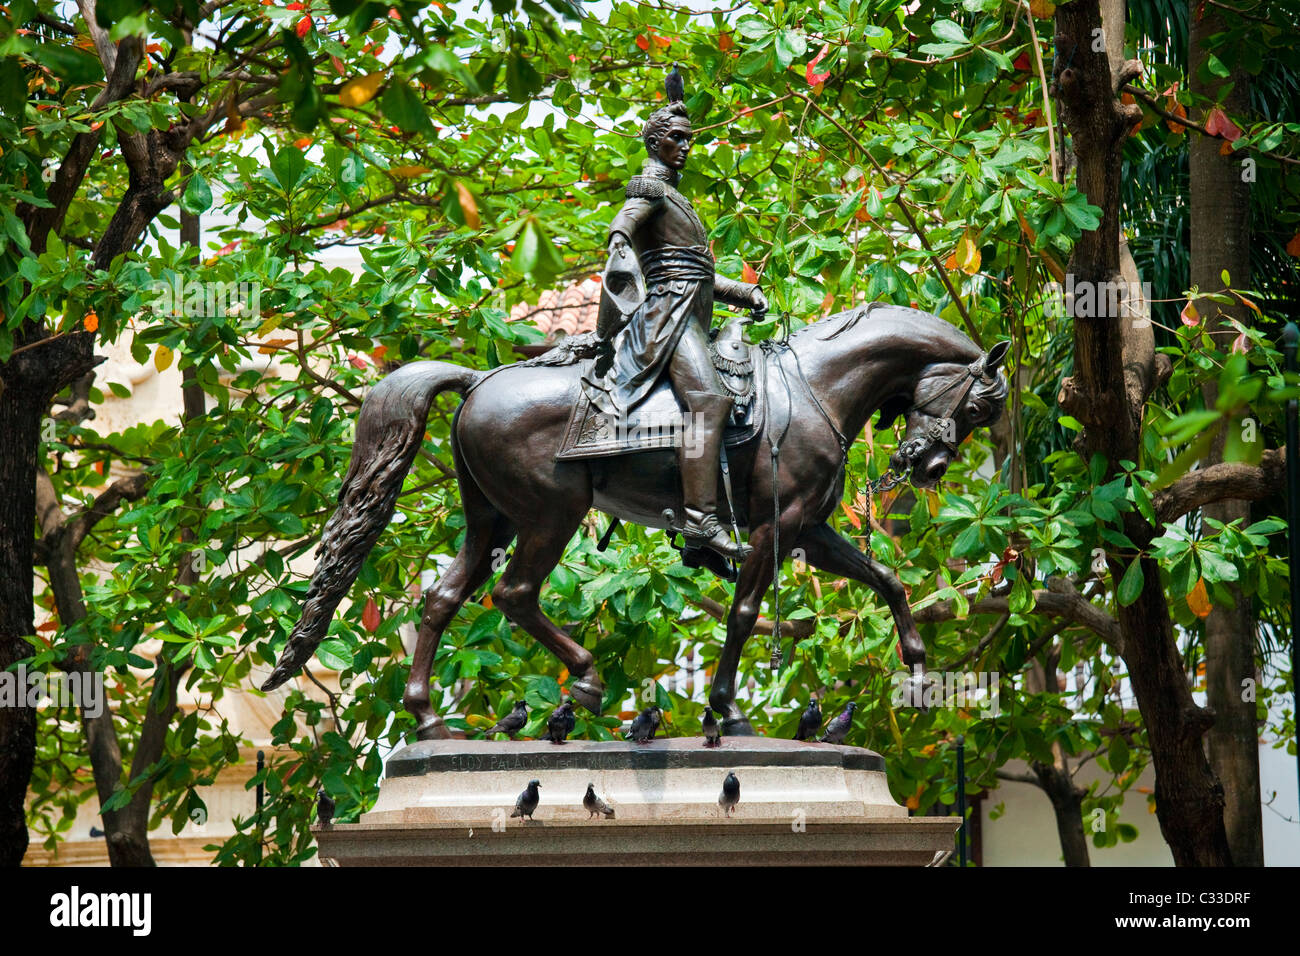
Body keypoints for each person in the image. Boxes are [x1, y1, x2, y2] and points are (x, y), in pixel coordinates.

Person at [584, 77, 766, 562]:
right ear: (653, 142)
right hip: (669, 320)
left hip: (691, 309)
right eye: (676, 139)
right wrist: (620, 241)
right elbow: (624, 222)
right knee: (708, 401)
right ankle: (701, 521)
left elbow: (696, 272)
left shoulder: (675, 194)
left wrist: (745, 292)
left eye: (689, 139)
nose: (685, 147)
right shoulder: (651, 188)